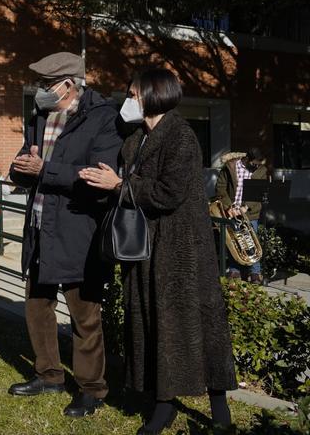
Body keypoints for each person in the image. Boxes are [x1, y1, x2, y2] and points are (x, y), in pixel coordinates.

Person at [79, 68, 237, 434]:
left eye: (133, 93)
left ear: (153, 95)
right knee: (156, 326)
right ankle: (163, 404)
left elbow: (169, 193)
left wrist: (119, 184)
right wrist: (107, 179)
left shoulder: (180, 136)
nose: (128, 100)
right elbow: (133, 184)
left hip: (182, 251)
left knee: (197, 326)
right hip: (147, 249)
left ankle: (220, 413)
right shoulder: (136, 137)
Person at [7, 52, 122, 417]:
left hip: (78, 230)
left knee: (84, 315)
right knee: (37, 306)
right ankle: (49, 375)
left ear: (68, 85)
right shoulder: (40, 115)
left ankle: (92, 389)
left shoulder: (104, 118)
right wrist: (21, 169)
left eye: (46, 85)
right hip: (41, 224)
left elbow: (97, 178)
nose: (40, 91)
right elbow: (30, 164)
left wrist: (46, 169)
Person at [215, 148, 269, 283]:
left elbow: (259, 192)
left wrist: (246, 207)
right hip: (231, 210)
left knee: (252, 242)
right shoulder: (230, 167)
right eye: (254, 164)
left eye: (259, 164)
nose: (257, 166)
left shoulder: (261, 170)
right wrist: (229, 206)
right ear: (246, 159)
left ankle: (255, 272)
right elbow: (220, 188)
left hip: (250, 211)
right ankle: (235, 270)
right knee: (235, 241)